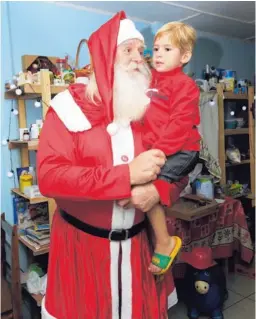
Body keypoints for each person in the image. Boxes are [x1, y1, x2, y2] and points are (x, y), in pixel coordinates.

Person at [38, 12, 187, 319]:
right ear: (105, 55)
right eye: (127, 50)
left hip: (139, 250)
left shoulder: (152, 108)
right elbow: (50, 177)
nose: (138, 59)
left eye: (141, 51)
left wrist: (158, 192)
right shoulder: (67, 108)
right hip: (83, 251)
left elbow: (184, 164)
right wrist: (125, 176)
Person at [142, 22, 201, 275]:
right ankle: (158, 238)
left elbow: (179, 127)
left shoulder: (185, 85)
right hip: (159, 148)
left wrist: (155, 153)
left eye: (167, 49)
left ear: (184, 56)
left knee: (151, 188)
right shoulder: (151, 79)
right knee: (143, 188)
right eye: (156, 48)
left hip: (182, 150)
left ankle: (164, 242)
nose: (159, 54)